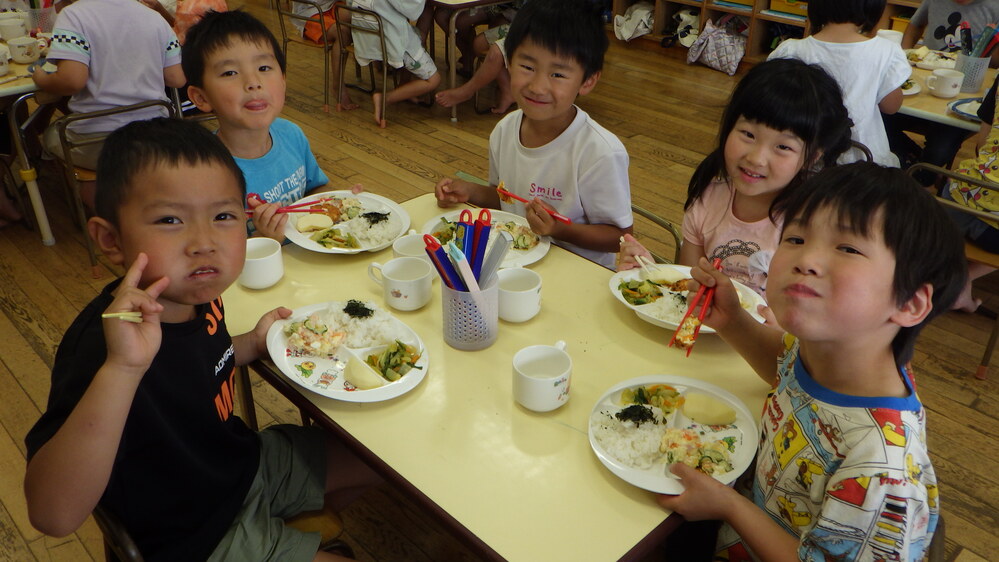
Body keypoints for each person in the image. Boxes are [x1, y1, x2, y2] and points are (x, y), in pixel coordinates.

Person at [23, 118, 376, 561]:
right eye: (170, 219)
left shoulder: (198, 293)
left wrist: (251, 342)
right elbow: (52, 515)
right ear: (110, 240)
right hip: (192, 534)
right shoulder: (106, 348)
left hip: (238, 467)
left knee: (380, 463)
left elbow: (205, 361)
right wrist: (123, 369)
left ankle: (285, 531)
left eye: (223, 216)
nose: (204, 242)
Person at [659, 162, 965, 560]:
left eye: (848, 247)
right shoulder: (831, 349)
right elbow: (786, 368)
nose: (806, 259)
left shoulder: (882, 470)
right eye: (797, 237)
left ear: (909, 303)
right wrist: (733, 320)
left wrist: (729, 506)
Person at [619, 58, 854, 297]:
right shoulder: (707, 200)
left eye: (783, 147)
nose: (757, 158)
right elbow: (690, 287)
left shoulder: (815, 222)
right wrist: (652, 273)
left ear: (812, 156)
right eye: (748, 134)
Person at [434, 0, 632, 269]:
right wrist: (469, 191)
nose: (538, 86)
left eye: (558, 73)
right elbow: (506, 199)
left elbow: (619, 237)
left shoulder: (599, 151)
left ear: (587, 81)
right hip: (516, 266)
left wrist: (558, 229)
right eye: (527, 67)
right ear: (508, 62)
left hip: (576, 274)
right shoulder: (505, 130)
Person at [182, 10, 332, 241]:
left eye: (263, 68)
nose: (253, 83)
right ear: (201, 97)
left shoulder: (291, 134)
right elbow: (213, 253)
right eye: (230, 72)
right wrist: (265, 240)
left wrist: (338, 203)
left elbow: (316, 190)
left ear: (283, 79)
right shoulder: (205, 173)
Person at [32, 0, 186, 208]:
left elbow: (72, 80)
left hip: (95, 142)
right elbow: (177, 79)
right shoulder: (154, 18)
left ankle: (100, 203)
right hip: (156, 138)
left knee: (51, 135)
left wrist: (41, 78)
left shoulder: (74, 15)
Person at [767, 0, 908, 167]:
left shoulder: (790, 50)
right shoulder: (885, 51)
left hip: (799, 155)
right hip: (861, 158)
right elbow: (891, 107)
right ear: (873, 7)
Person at [889, 0, 999, 184]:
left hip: (963, 97)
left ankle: (923, 173)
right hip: (923, 86)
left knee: (939, 151)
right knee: (880, 116)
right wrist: (903, 55)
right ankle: (917, 161)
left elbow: (993, 62)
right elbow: (915, 25)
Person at [347, 0, 441, 127]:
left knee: (418, 34)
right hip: (393, 40)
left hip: (368, 38)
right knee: (433, 80)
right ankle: (385, 98)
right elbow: (413, 12)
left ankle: (404, 86)